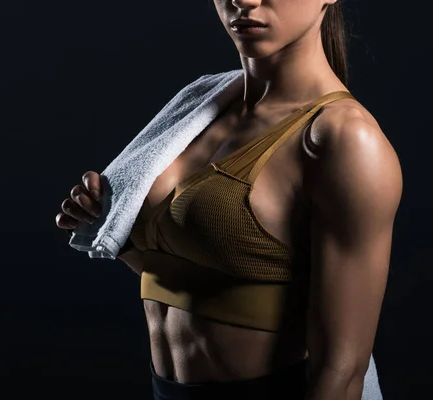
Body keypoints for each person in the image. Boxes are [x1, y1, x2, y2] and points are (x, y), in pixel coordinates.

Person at [55, 0, 402, 398]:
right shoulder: (201, 101)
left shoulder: (343, 141)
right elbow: (196, 278)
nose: (245, 1)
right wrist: (103, 218)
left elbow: (341, 372)